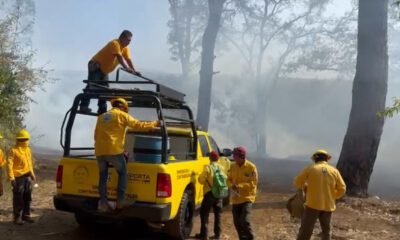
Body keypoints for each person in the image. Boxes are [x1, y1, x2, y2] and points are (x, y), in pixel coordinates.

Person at [94, 98, 159, 212]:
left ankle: (103, 204)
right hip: (113, 150)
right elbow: (138, 125)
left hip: (99, 151)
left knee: (103, 177)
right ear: (123, 107)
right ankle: (121, 201)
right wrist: (155, 124)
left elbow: (95, 135)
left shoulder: (101, 117)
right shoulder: (122, 115)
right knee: (122, 172)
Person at [80, 30, 141, 114]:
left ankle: (102, 110)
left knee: (104, 90)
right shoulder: (115, 43)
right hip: (96, 66)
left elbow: (128, 59)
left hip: (104, 70)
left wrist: (134, 71)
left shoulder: (125, 48)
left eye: (130, 41)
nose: (129, 42)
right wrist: (127, 68)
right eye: (128, 40)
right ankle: (83, 106)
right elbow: (119, 57)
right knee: (92, 86)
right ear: (122, 38)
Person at [294, 149, 346, 240]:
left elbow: (297, 182)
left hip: (312, 205)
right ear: (327, 159)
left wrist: (305, 186)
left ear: (315, 159)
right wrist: (334, 197)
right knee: (326, 231)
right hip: (328, 205)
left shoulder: (310, 169)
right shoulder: (334, 171)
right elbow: (342, 188)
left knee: (306, 229)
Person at [228, 146, 258, 240]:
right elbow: (228, 179)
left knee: (245, 221)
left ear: (242, 157)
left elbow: (253, 184)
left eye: (235, 156)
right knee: (237, 222)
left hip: (247, 198)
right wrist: (230, 185)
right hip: (235, 199)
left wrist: (239, 186)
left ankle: (251, 238)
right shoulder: (232, 166)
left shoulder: (251, 167)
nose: (234, 158)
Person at [7, 129, 36, 225]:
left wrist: (32, 174)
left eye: (26, 139)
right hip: (18, 178)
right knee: (18, 198)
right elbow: (9, 165)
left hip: (27, 177)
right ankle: (17, 217)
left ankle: (26, 215)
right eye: (23, 139)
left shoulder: (28, 150)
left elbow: (29, 163)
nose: (25, 141)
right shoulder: (13, 150)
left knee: (28, 197)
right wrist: (11, 178)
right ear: (18, 140)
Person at [196, 151, 227, 240]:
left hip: (209, 194)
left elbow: (201, 180)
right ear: (218, 159)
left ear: (210, 158)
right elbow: (225, 179)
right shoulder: (222, 167)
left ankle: (204, 235)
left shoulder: (208, 168)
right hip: (219, 194)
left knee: (204, 214)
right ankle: (217, 235)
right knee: (218, 215)